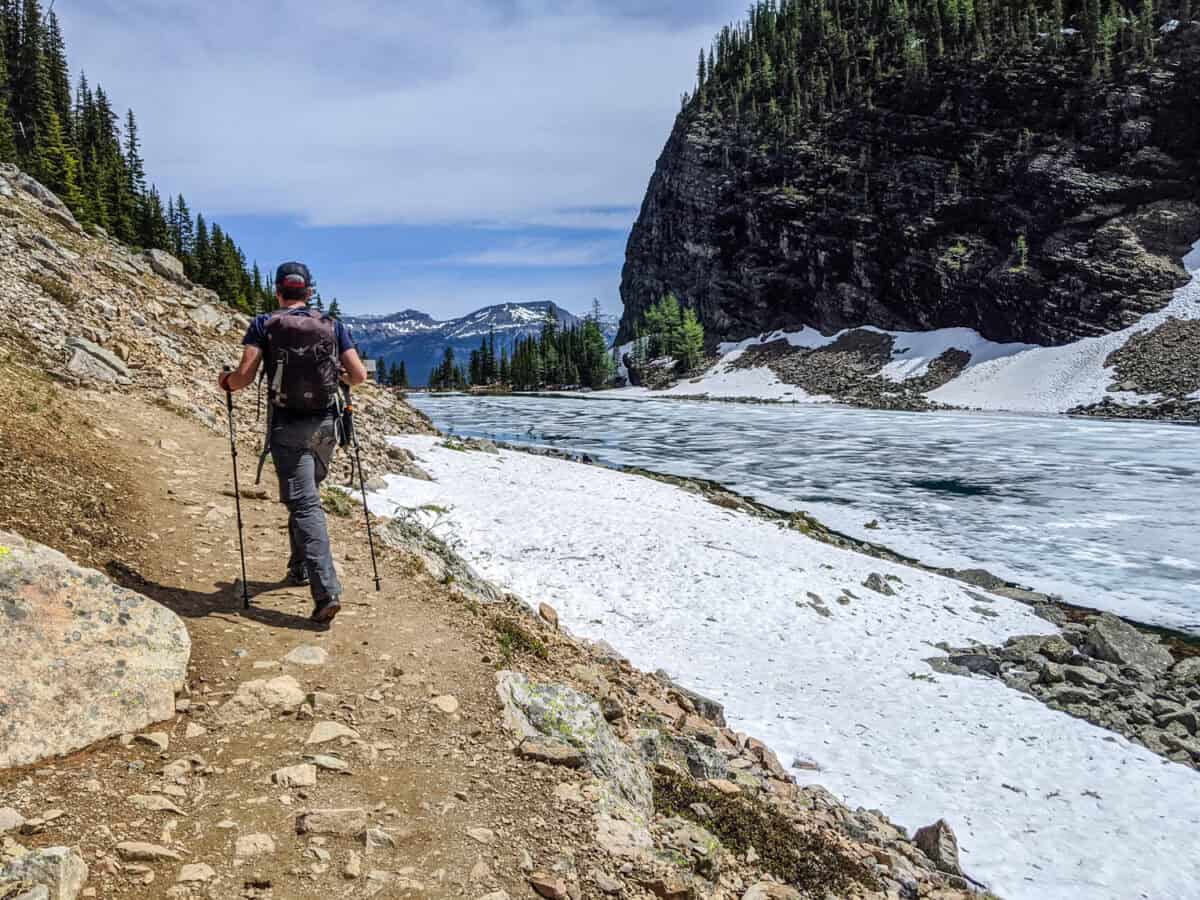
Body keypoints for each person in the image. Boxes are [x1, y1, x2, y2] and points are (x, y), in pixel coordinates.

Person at [218, 262, 368, 625]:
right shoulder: (333, 325)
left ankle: (326, 592)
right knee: (307, 494)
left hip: (287, 425)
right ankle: (299, 567)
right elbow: (359, 376)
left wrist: (225, 381)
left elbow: (243, 377)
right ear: (310, 292)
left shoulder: (264, 324)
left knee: (304, 504)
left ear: (278, 291)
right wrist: (336, 377)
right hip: (326, 426)